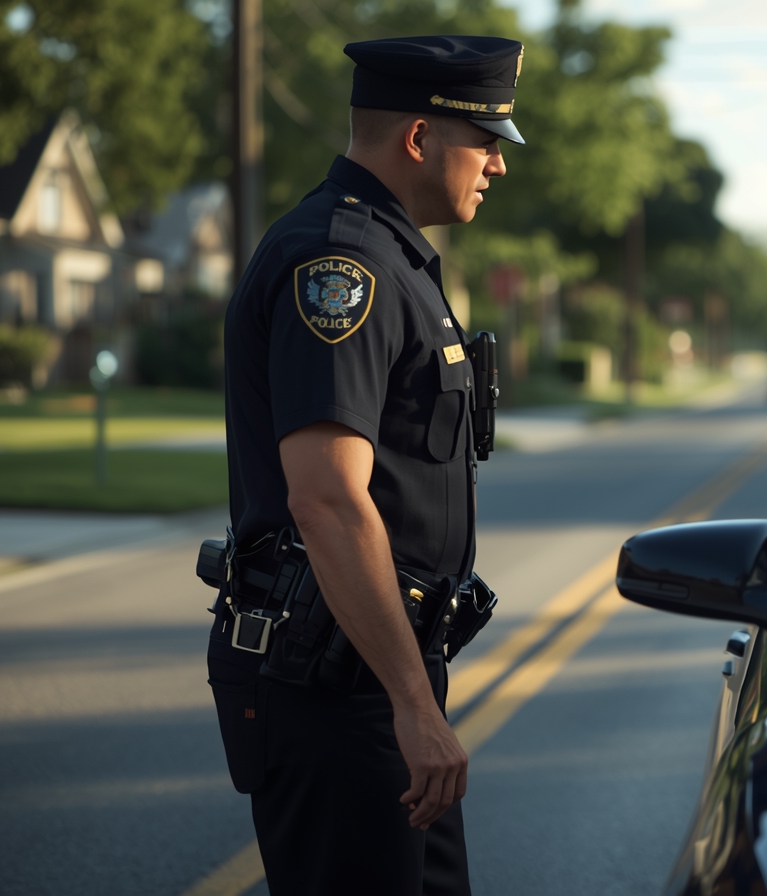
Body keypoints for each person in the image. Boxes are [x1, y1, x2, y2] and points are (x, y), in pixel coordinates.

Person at [206, 35, 523, 896]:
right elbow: (328, 500)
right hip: (336, 683)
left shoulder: (393, 256)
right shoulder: (341, 265)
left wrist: (413, 694)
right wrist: (413, 705)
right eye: (486, 141)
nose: (498, 164)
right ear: (419, 138)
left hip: (375, 671)